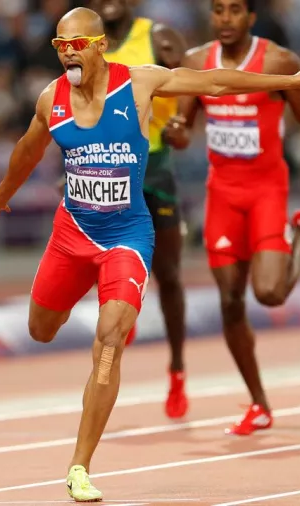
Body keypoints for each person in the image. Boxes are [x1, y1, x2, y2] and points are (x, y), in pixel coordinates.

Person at [0, 6, 300, 501]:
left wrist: (292, 78)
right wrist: (0, 198)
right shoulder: (50, 98)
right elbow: (28, 148)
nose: (67, 54)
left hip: (127, 236)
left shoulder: (139, 83)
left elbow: (213, 83)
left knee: (108, 344)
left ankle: (79, 466)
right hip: (71, 235)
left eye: (75, 44)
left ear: (99, 45)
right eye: (59, 46)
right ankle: (101, 314)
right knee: (41, 329)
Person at [164, 0, 300, 435]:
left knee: (268, 294)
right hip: (222, 194)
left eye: (234, 11)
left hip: (266, 190)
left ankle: (299, 235)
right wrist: (177, 132)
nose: (224, 19)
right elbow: (186, 130)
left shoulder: (278, 60)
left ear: (250, 18)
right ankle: (259, 403)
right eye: (218, 11)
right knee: (230, 302)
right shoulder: (195, 62)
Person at [88, 0, 191, 419]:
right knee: (106, 267)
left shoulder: (159, 37)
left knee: (168, 273)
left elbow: (190, 85)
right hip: (107, 166)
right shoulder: (86, 44)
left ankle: (178, 370)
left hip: (155, 165)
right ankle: (112, 350)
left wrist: (183, 125)